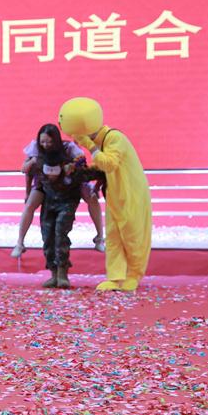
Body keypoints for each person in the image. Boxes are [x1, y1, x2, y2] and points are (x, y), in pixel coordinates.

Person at [59, 97, 152, 292]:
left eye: (76, 136)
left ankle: (133, 275)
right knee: (113, 237)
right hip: (114, 195)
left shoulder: (114, 138)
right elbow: (101, 168)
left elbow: (109, 164)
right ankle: (116, 277)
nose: (75, 140)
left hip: (131, 195)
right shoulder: (102, 142)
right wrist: (79, 171)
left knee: (132, 235)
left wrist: (90, 147)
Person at [11, 124, 105, 258]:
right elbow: (25, 170)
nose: (45, 145)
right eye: (43, 142)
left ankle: (99, 238)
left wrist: (73, 166)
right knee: (30, 204)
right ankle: (20, 243)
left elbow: (83, 164)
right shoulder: (36, 149)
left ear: (56, 140)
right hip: (45, 183)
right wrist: (32, 164)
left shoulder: (68, 148)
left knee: (92, 197)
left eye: (49, 142)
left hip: (69, 183)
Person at [33, 146, 102, 289]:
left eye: (54, 173)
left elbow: (100, 172)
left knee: (61, 234)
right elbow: (27, 173)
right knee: (47, 237)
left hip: (67, 204)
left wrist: (97, 187)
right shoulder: (40, 170)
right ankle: (53, 273)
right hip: (49, 205)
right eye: (48, 173)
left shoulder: (74, 173)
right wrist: (28, 192)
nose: (51, 176)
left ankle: (62, 273)